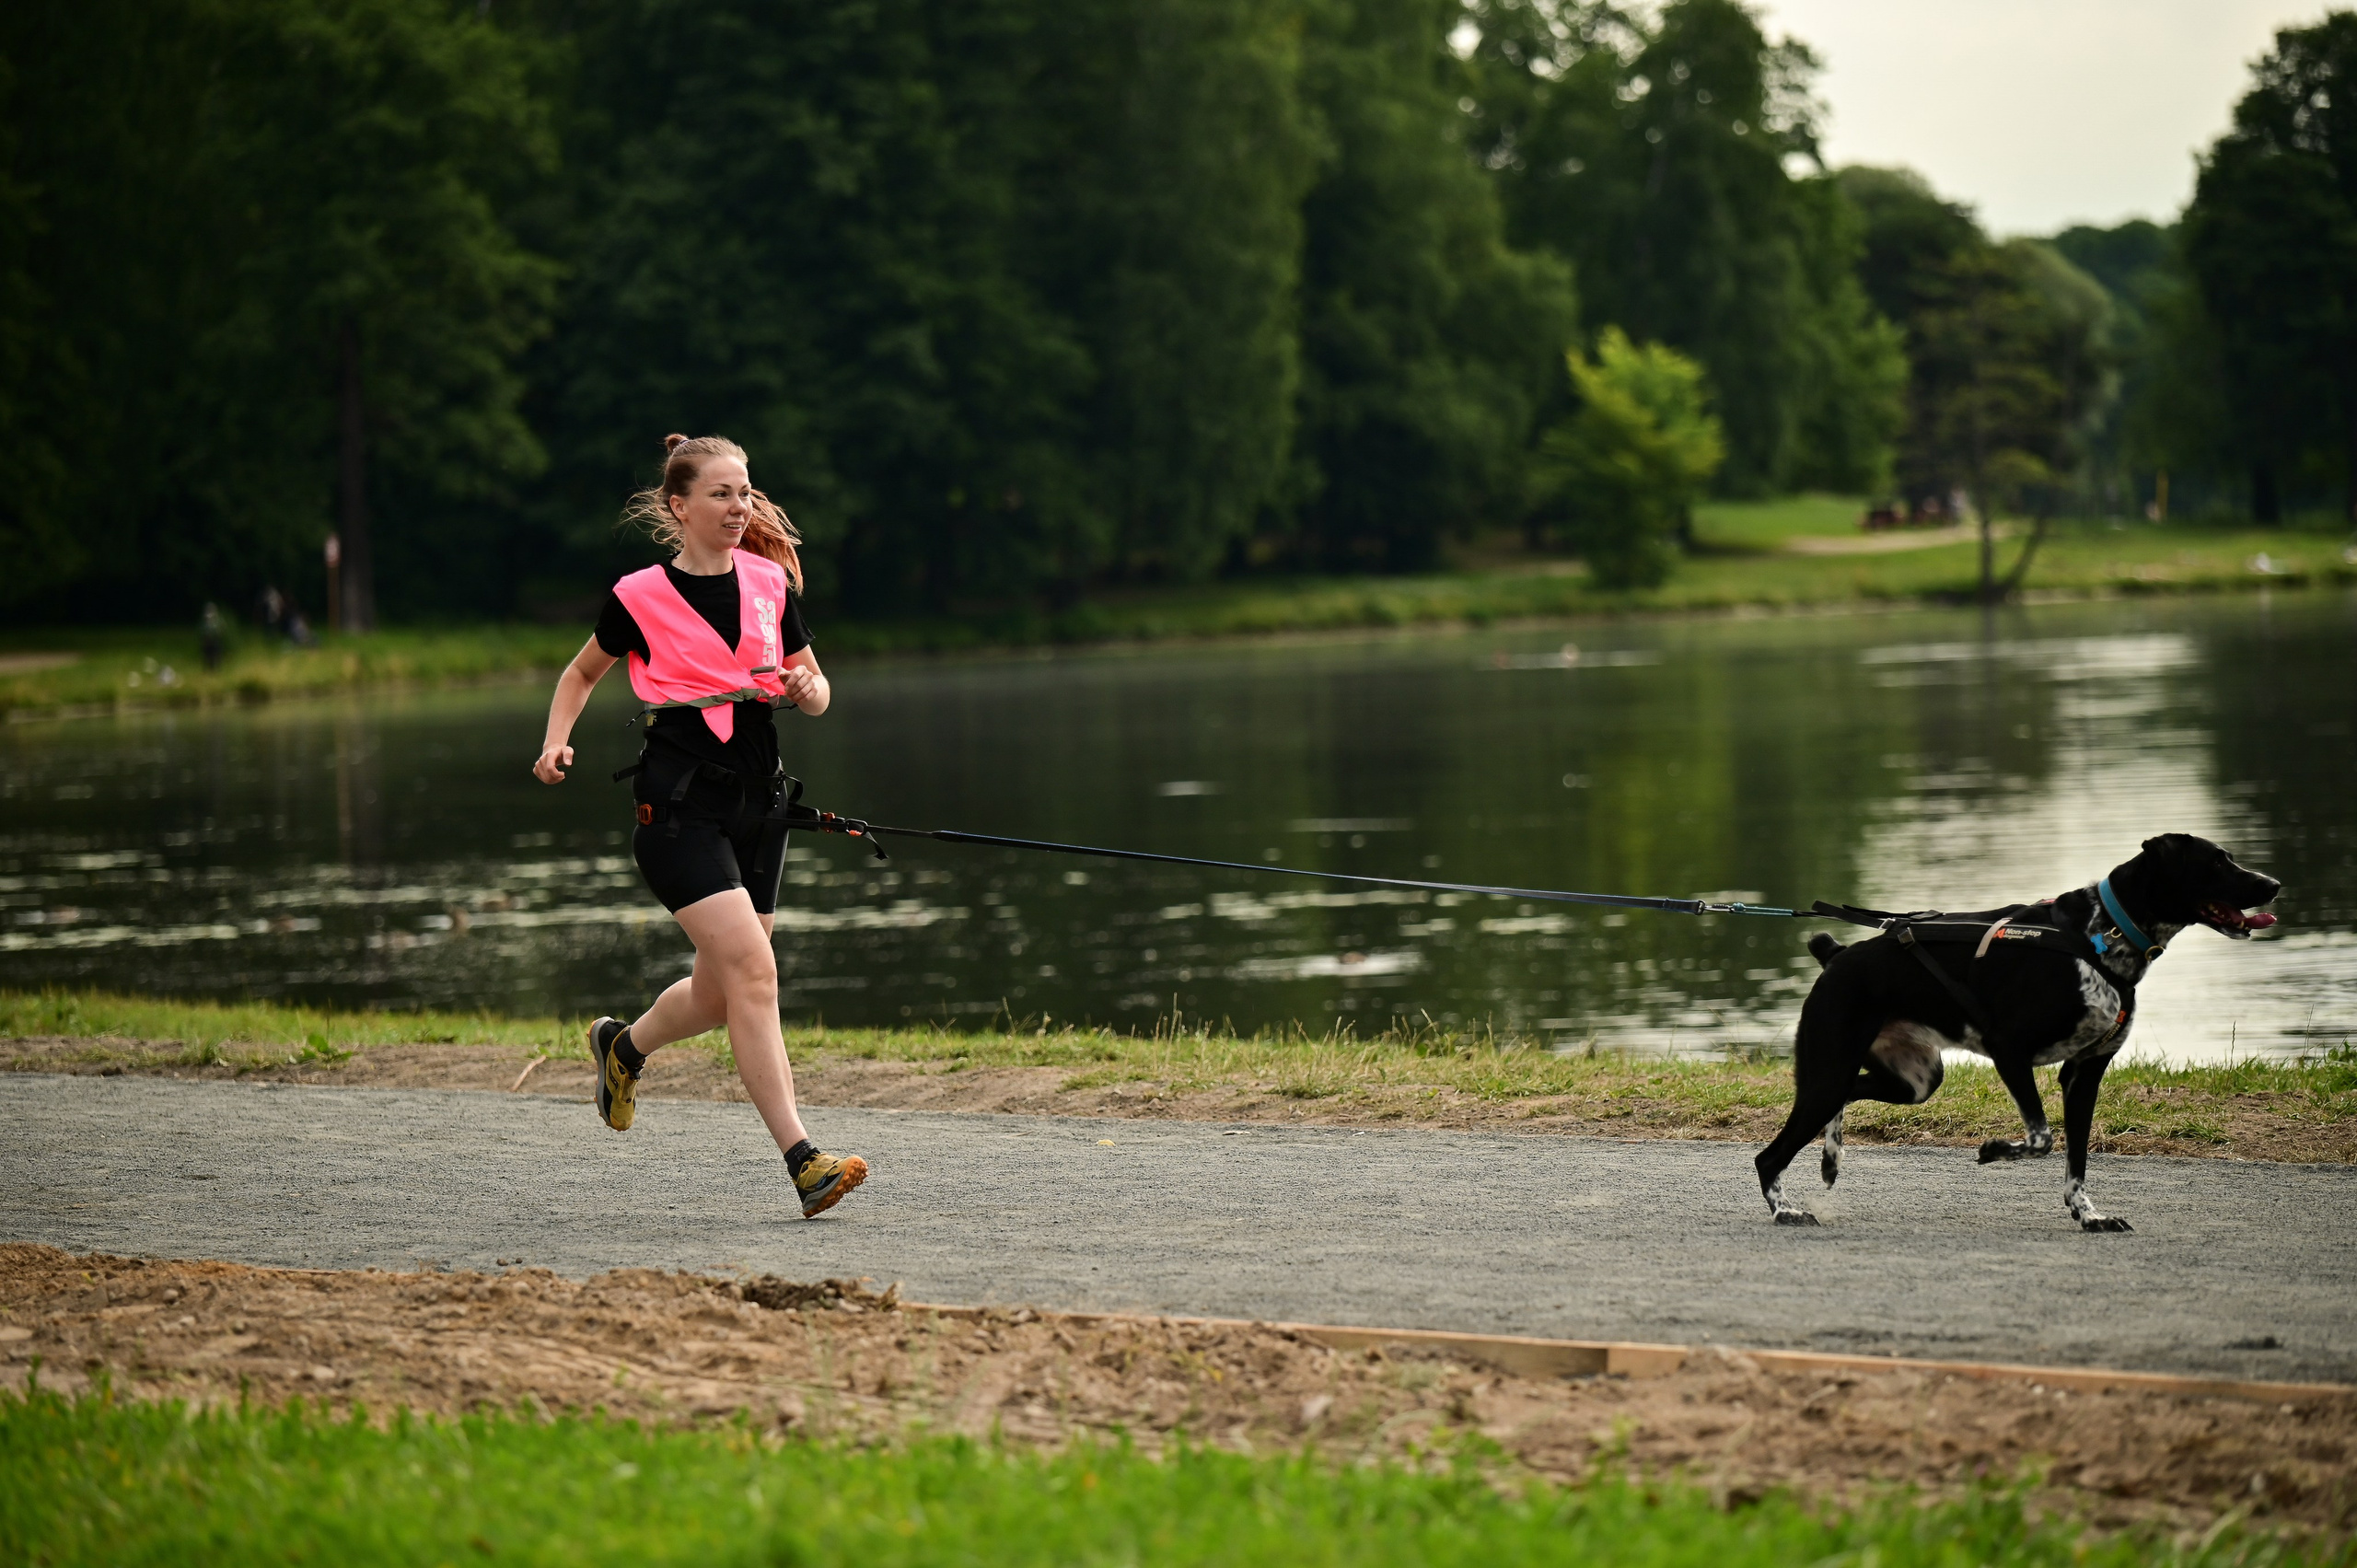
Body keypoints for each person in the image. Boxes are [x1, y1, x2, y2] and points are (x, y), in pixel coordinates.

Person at [533, 434, 867, 1219]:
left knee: (721, 995)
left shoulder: (768, 582)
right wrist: (555, 742)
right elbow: (581, 672)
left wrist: (805, 688)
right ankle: (804, 1159)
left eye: (744, 492)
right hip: (678, 811)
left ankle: (624, 1046)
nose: (738, 506)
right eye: (721, 493)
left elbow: (818, 689)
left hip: (761, 808)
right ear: (679, 506)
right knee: (754, 972)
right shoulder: (639, 595)